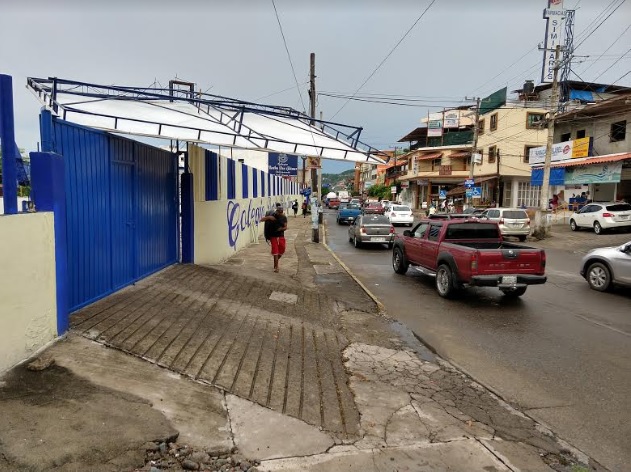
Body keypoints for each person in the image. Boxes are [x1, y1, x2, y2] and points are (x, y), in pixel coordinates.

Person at [260, 204, 288, 273]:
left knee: (282, 249)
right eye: (279, 212)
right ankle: (276, 267)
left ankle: (276, 262)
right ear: (277, 211)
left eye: (281, 212)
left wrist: (281, 228)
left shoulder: (284, 217)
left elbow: (285, 227)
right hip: (273, 236)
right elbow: (261, 220)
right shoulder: (272, 216)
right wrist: (269, 217)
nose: (280, 213)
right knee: (275, 251)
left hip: (281, 235)